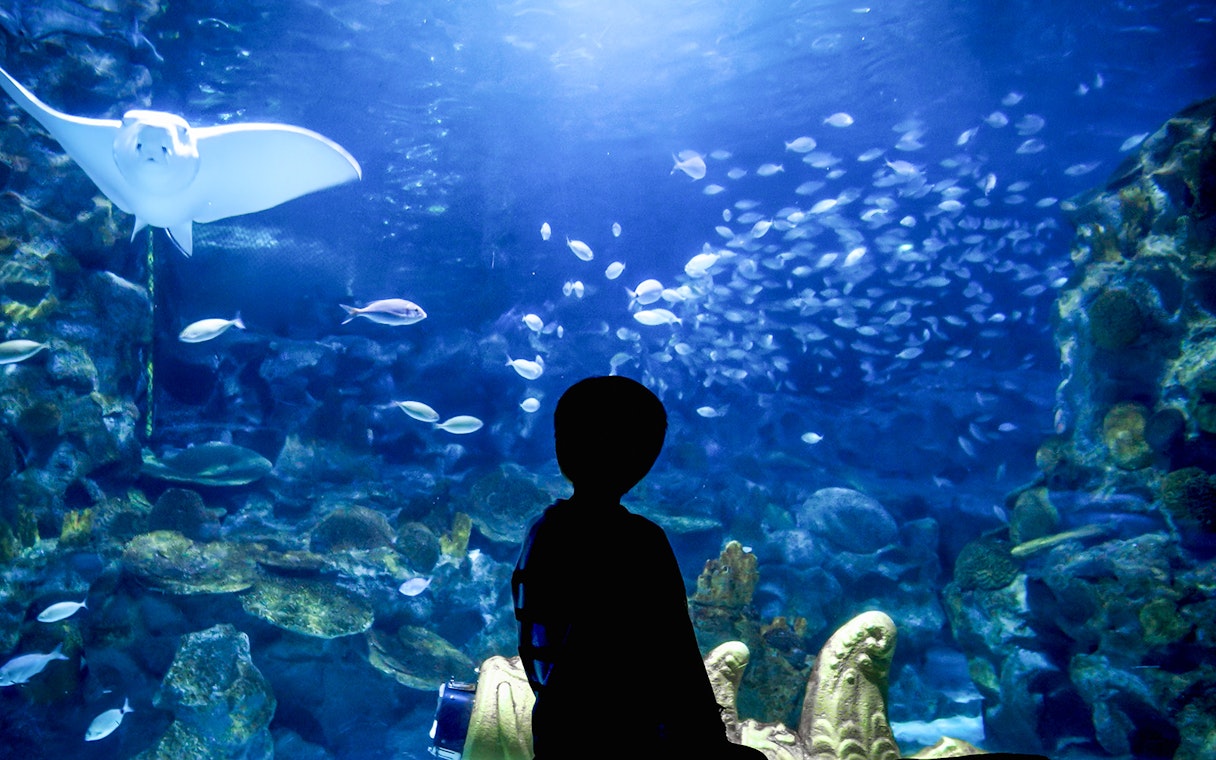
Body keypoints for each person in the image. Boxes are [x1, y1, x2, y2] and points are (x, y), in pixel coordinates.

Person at [512, 376, 764, 759]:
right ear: (643, 457)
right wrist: (711, 746)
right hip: (630, 739)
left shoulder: (541, 531)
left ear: (562, 446)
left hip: (557, 732)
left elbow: (540, 638)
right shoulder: (638, 541)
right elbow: (676, 658)